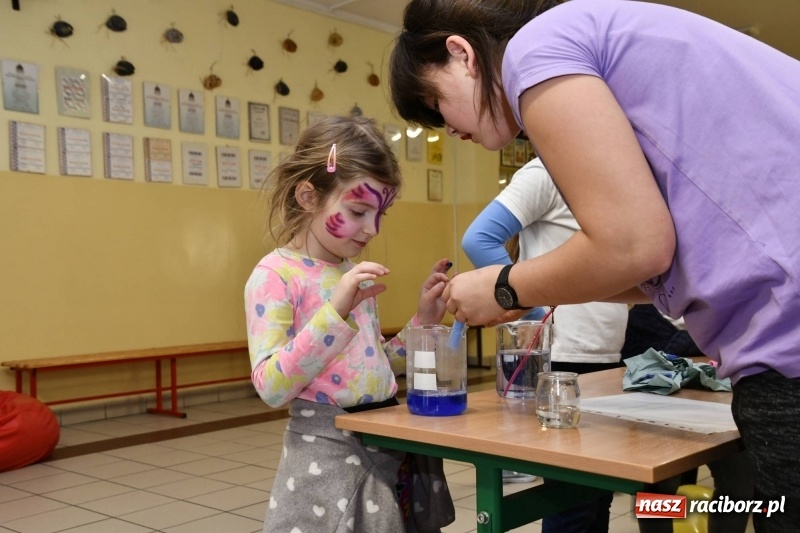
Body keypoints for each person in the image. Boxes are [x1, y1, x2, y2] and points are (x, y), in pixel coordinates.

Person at [389, 1, 800, 531]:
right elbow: (659, 264)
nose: (446, 128)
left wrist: (507, 287)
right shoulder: (618, 39)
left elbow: (635, 245)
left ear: (461, 53)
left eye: (435, 103)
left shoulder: (539, 45)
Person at [244, 114, 455, 532]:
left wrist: (423, 322)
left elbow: (372, 367)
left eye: (381, 214)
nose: (371, 229)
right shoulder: (275, 276)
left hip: (388, 445)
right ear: (308, 197)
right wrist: (333, 313)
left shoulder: (350, 271)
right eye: (358, 211)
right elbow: (270, 386)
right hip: (328, 457)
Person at [462, 157, 628, 531]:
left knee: (596, 495)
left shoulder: (610, 174)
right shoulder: (546, 170)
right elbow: (478, 238)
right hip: (565, 356)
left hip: (604, 355)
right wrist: (536, 312)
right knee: (573, 502)